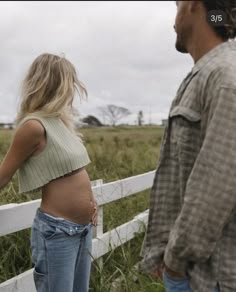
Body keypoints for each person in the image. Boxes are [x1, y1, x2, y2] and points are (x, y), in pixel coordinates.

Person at [140, 1, 236, 292]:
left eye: (177, 4)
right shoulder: (210, 73)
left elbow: (216, 186)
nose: (174, 16)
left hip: (209, 277)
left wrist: (176, 259)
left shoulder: (225, 78)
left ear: (193, 5)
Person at [0, 53, 98, 292]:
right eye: (69, 83)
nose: (72, 90)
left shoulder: (61, 122)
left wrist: (91, 202)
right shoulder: (33, 126)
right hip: (57, 233)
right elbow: (3, 176)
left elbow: (75, 171)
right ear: (53, 84)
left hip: (82, 230)